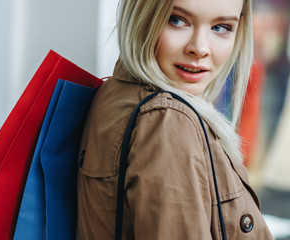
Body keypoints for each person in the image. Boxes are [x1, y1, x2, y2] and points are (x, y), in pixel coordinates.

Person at [77, 0, 273, 239]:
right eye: (177, 20)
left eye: (221, 27)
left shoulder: (117, 91)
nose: (200, 48)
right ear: (142, 14)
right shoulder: (166, 120)